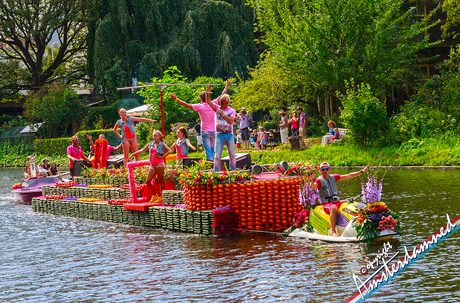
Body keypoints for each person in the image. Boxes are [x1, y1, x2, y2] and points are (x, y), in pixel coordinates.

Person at [169, 80, 231, 162]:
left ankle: (210, 165)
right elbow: (222, 95)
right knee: (213, 150)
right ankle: (214, 165)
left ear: (201, 99)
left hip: (205, 131)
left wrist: (176, 99)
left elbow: (185, 105)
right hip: (213, 131)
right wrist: (227, 85)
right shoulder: (213, 103)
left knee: (208, 150)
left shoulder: (199, 106)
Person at [309, 162, 369, 237]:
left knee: (349, 204)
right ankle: (334, 232)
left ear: (330, 169)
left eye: (327, 169)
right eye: (323, 169)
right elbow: (312, 187)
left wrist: (361, 172)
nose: (325, 171)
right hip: (327, 203)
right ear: (320, 171)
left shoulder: (334, 177)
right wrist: (311, 181)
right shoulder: (318, 181)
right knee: (333, 208)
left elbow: (349, 176)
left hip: (337, 201)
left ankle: (362, 222)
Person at [129, 130, 172, 204]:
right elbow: (142, 150)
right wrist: (133, 154)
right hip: (152, 164)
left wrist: (163, 156)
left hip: (159, 164)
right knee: (148, 181)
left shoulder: (162, 144)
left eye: (156, 136)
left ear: (159, 137)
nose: (154, 137)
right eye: (154, 136)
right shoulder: (150, 144)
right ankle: (155, 195)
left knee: (161, 181)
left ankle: (162, 197)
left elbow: (170, 150)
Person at [205, 85, 237, 172]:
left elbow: (231, 121)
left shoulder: (232, 111)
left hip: (229, 135)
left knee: (232, 155)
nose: (219, 103)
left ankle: (233, 171)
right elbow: (208, 102)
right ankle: (216, 171)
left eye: (221, 102)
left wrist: (223, 115)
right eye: (219, 102)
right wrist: (207, 93)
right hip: (219, 135)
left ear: (226, 103)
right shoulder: (217, 108)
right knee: (217, 156)